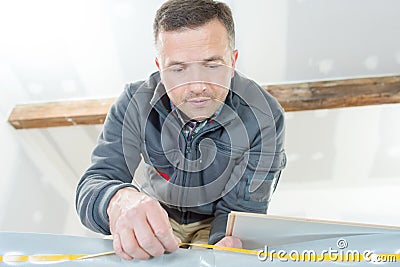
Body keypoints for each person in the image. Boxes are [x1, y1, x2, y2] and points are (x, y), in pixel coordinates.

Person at [76, 0, 286, 261]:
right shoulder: (134, 102)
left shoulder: (264, 115)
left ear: (233, 62)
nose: (196, 86)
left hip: (215, 224)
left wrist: (221, 249)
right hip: (153, 214)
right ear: (159, 67)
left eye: (211, 65)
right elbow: (94, 182)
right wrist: (117, 201)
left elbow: (240, 210)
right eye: (178, 69)